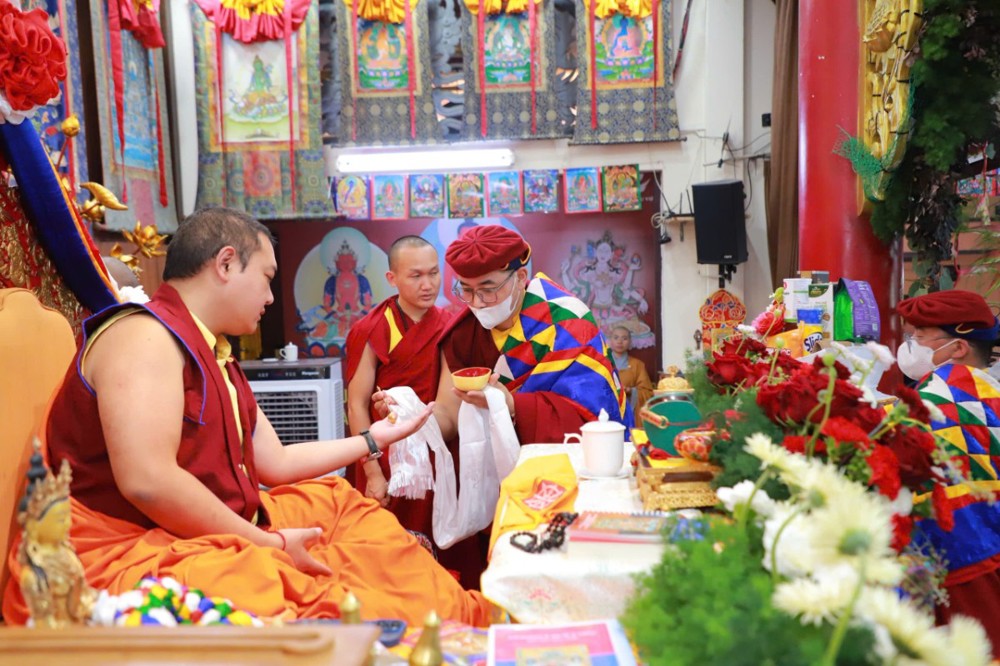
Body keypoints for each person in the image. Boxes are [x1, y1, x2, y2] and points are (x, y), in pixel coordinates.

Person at [2, 207, 493, 627]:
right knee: (299, 589)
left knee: (343, 504)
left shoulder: (210, 349)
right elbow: (147, 481)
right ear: (225, 264)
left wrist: (374, 439)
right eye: (266, 277)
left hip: (213, 522)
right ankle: (427, 635)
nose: (271, 298)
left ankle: (457, 624)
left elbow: (275, 463)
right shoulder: (144, 337)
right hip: (124, 544)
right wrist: (269, 542)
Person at [407, 223, 633, 446]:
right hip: (494, 463)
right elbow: (449, 413)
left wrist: (512, 404)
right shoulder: (463, 332)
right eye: (466, 290)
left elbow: (593, 414)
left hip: (565, 459)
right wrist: (416, 423)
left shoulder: (567, 321)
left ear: (520, 277)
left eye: (488, 289)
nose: (477, 302)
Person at [896, 289, 1000, 657]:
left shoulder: (941, 398)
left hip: (964, 556)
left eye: (920, 336)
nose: (911, 344)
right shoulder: (985, 388)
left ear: (958, 347)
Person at [344, 236, 447, 542]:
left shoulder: (450, 325)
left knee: (436, 542)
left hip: (436, 449)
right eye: (416, 276)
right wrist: (373, 472)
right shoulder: (371, 328)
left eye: (433, 273)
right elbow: (356, 405)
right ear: (392, 278)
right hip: (384, 454)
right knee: (387, 543)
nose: (427, 284)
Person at [608, 325, 654, 409]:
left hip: (629, 411)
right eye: (616, 338)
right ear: (610, 341)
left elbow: (647, 393)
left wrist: (631, 391)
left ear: (630, 341)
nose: (620, 342)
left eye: (624, 338)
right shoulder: (601, 363)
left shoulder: (638, 365)